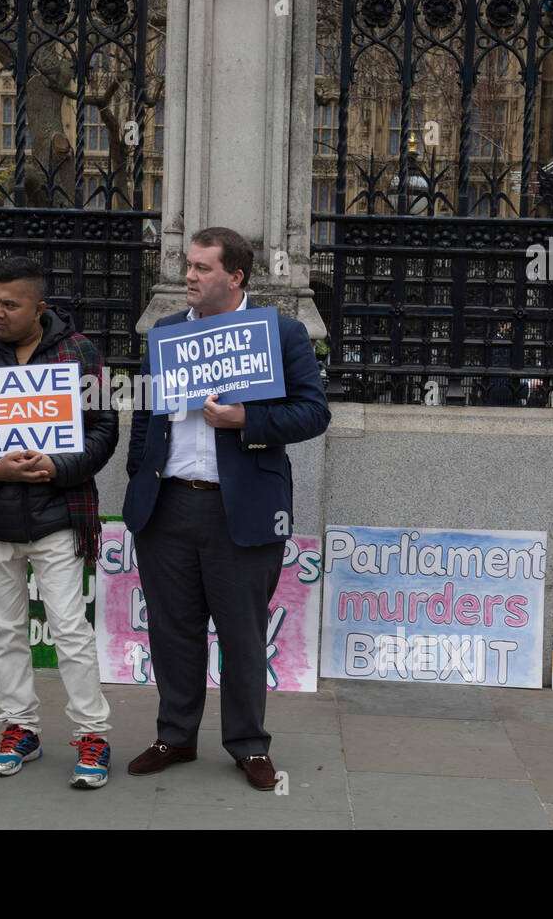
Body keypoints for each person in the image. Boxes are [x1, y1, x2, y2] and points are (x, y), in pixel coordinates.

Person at [123, 227, 330, 790]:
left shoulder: (280, 334)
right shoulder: (166, 333)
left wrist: (247, 421)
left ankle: (247, 745)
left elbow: (313, 413)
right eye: (188, 266)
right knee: (173, 631)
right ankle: (175, 736)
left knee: (242, 636)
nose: (188, 276)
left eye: (201, 268)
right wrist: (139, 469)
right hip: (167, 509)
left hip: (243, 512)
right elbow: (145, 414)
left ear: (235, 277)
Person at [0, 257, 119, 788]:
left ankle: (92, 734)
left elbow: (105, 429)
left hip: (59, 517)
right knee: (6, 633)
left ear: (39, 309)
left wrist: (58, 467)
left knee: (69, 630)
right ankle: (20, 727)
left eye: (9, 304)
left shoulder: (80, 354)